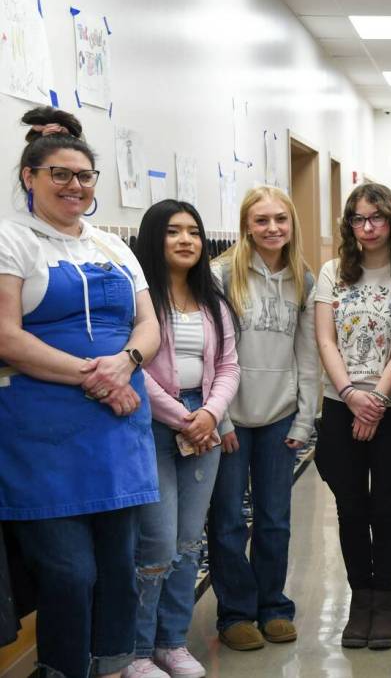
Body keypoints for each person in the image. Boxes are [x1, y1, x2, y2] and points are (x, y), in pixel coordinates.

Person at [0, 107, 160, 678]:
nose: (75, 186)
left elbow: (149, 326)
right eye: (60, 174)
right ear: (29, 177)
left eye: (84, 175)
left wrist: (127, 363)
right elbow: (7, 338)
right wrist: (98, 378)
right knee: (69, 572)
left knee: (119, 566)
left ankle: (114, 666)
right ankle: (63, 669)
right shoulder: (11, 241)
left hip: (118, 432)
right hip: (44, 437)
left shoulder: (115, 248)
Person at [127, 200, 241, 678]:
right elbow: (133, 369)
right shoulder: (141, 299)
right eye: (173, 231)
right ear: (154, 238)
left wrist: (210, 413)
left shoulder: (212, 298)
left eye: (193, 231)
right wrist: (184, 418)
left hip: (205, 422)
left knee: (189, 542)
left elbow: (230, 365)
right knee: (155, 542)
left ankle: (172, 642)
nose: (186, 240)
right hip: (153, 425)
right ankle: (134, 650)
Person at [207, 186, 319, 651]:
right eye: (261, 220)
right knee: (228, 519)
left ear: (291, 224)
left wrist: (304, 419)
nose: (272, 228)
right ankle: (235, 612)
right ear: (246, 226)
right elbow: (213, 352)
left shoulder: (303, 278)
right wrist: (221, 419)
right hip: (230, 415)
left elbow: (307, 353)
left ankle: (273, 605)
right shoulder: (217, 274)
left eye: (281, 219)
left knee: (275, 519)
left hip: (280, 416)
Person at [313, 183, 391, 650]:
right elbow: (325, 340)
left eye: (377, 217)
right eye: (359, 218)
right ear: (348, 225)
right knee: (351, 508)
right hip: (341, 407)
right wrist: (350, 394)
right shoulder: (333, 272)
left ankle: (386, 599)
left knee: (386, 508)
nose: (368, 227)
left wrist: (376, 398)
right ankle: (361, 598)